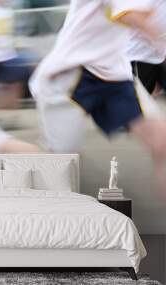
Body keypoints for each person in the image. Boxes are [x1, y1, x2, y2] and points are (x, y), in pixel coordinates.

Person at [29, 0, 166, 196]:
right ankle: (6, 158)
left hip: (114, 74)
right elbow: (132, 14)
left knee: (161, 141)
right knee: (63, 167)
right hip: (69, 74)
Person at [127, 0, 166, 96]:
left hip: (157, 56)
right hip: (140, 56)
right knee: (136, 105)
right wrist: (160, 39)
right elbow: (135, 17)